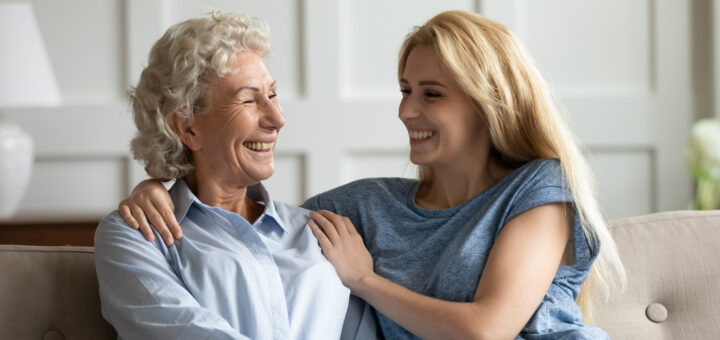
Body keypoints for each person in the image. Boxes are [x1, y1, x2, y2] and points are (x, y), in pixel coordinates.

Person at [119, 10, 626, 339]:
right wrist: (159, 185)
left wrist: (363, 279)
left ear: (487, 103)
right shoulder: (365, 208)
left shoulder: (539, 189)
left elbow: (486, 332)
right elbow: (253, 220)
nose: (406, 111)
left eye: (431, 94)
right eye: (405, 90)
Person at [93, 11, 352, 339]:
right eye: (249, 100)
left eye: (272, 95)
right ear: (187, 127)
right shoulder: (135, 237)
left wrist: (367, 282)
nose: (277, 118)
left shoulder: (319, 232)